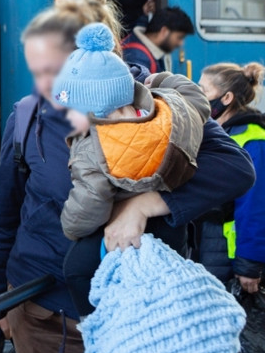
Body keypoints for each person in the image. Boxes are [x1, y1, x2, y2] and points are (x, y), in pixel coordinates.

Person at [0, 0, 255, 353]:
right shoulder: (28, 115)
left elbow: (236, 168)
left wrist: (143, 206)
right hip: (39, 311)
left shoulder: (161, 108)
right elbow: (6, 215)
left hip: (138, 315)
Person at [54, 22, 209, 318]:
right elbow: (197, 98)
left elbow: (91, 202)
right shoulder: (169, 110)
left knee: (74, 270)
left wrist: (70, 226)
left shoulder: (93, 146)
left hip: (125, 235)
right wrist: (162, 79)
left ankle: (95, 325)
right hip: (170, 227)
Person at [195, 62, 265, 291]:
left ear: (226, 98)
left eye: (204, 90)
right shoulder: (215, 132)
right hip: (207, 241)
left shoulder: (253, 140)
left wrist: (248, 265)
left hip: (229, 248)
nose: (198, 95)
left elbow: (255, 206)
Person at [122, 6, 194, 74]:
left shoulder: (139, 50)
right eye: (179, 37)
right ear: (164, 31)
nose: (181, 43)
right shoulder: (138, 59)